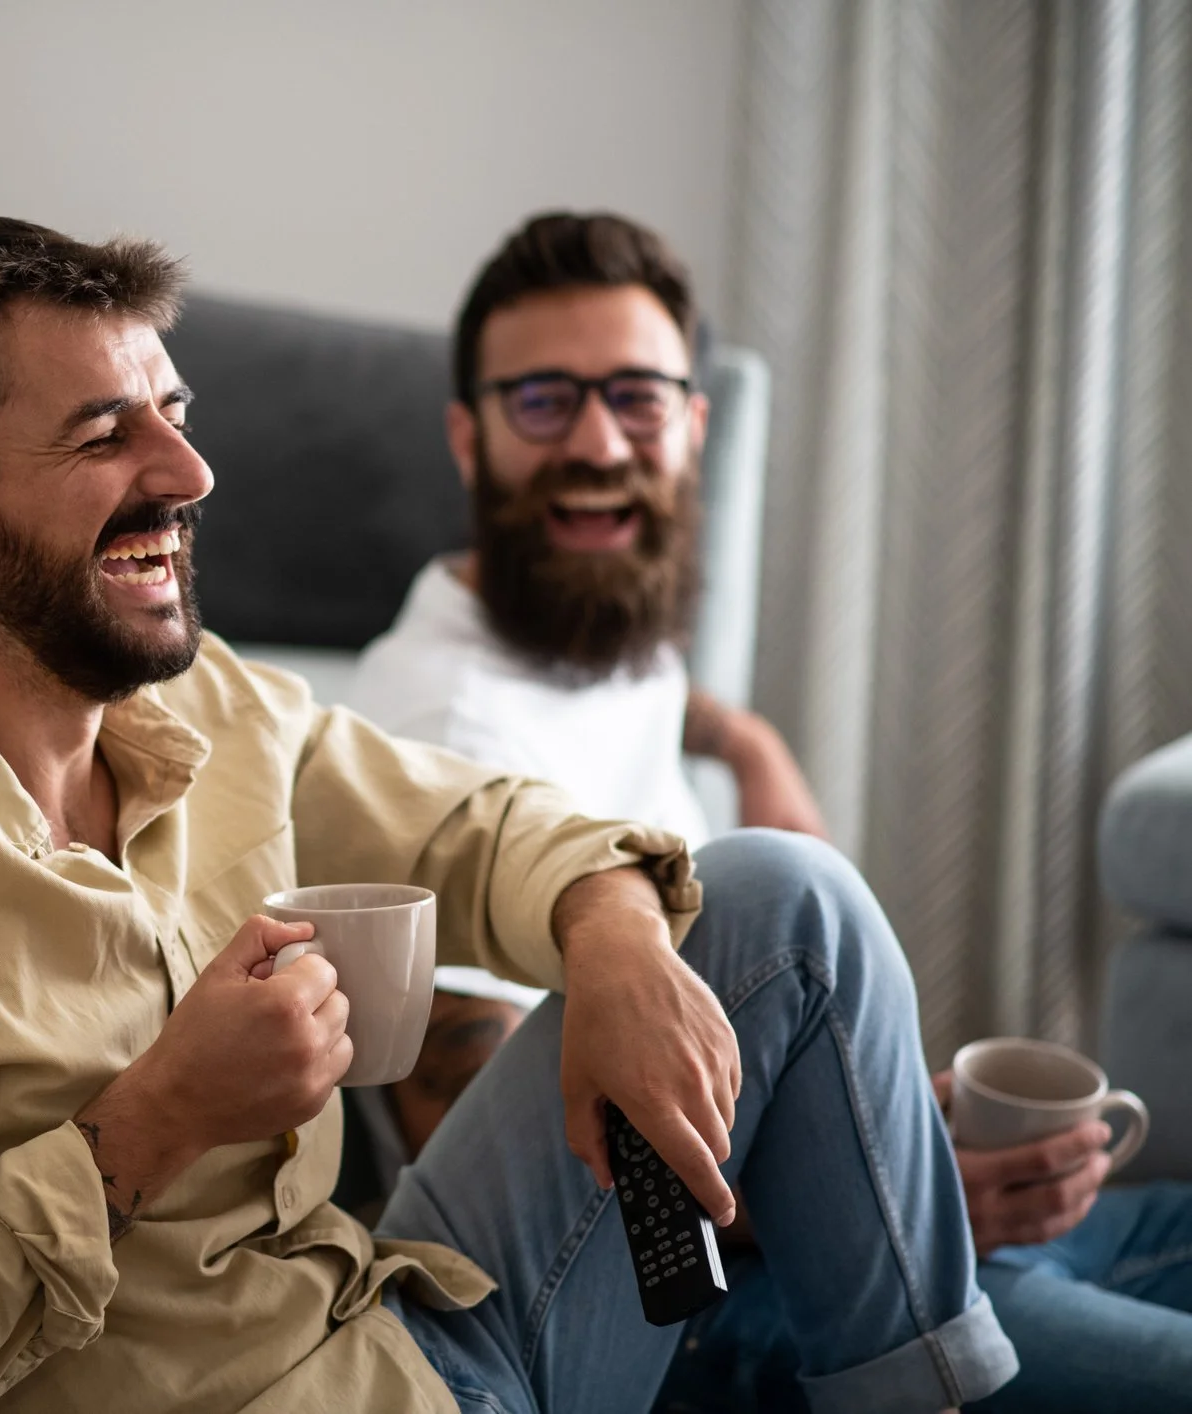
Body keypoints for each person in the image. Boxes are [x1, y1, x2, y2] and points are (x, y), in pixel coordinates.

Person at [0, 216, 1015, 1413]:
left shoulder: (208, 713)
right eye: (106, 434)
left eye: (175, 415)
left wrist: (611, 929)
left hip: (413, 1344)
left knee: (780, 901)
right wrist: (145, 1126)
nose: (186, 474)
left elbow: (473, 826)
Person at [346, 210, 1192, 1414]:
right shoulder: (440, 730)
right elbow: (513, 1183)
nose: (597, 442)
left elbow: (659, 705)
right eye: (543, 402)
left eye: (637, 399)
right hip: (695, 1301)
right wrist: (860, 1163)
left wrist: (746, 739)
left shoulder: (594, 635)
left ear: (693, 427)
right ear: (468, 439)